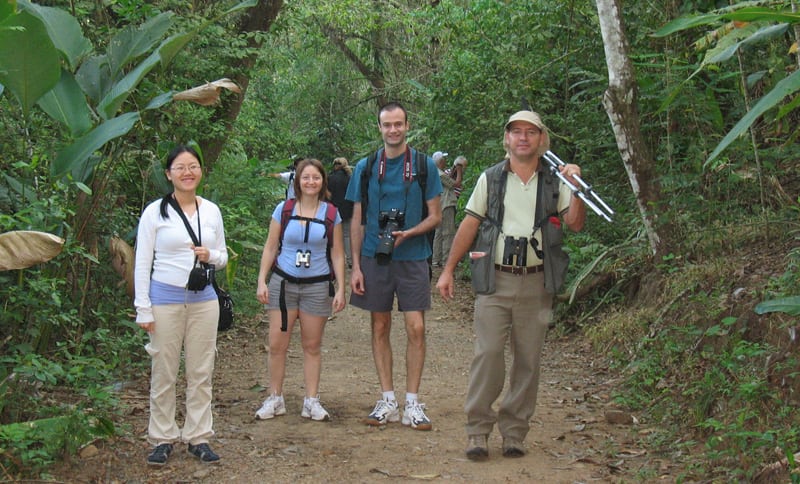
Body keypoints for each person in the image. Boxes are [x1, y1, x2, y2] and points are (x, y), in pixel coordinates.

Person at [436, 110, 586, 461]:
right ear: (507, 139)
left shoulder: (554, 181)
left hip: (537, 282)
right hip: (496, 278)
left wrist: (576, 187)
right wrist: (448, 270)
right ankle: (477, 431)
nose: (522, 138)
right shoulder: (491, 178)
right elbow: (470, 224)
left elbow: (575, 224)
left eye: (530, 132)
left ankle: (515, 433)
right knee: (487, 355)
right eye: (516, 132)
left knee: (528, 360)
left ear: (541, 139)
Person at [345, 102, 443, 431]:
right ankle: (387, 398)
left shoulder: (423, 165)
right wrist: (355, 266)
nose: (393, 130)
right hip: (376, 256)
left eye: (398, 124)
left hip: (413, 256)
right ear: (379, 127)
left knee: (416, 327)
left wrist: (409, 233)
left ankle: (412, 401)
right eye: (387, 125)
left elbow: (436, 215)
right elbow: (356, 219)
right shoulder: (366, 166)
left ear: (407, 125)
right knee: (380, 326)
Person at [134, 144, 228, 466]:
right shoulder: (155, 212)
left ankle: (198, 436)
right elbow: (142, 262)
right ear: (168, 174)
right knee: (164, 370)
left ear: (201, 170)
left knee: (201, 371)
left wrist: (209, 256)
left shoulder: (211, 210)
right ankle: (162, 437)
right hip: (165, 299)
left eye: (193, 166)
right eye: (180, 167)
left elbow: (223, 256)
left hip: (204, 301)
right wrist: (143, 307)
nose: (188, 173)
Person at [255, 158, 347, 422]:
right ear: (297, 181)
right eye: (305, 178)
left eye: (315, 178)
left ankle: (312, 400)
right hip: (283, 284)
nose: (310, 182)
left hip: (317, 286)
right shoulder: (283, 210)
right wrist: (262, 280)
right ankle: (275, 398)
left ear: (322, 182)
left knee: (312, 345)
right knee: (277, 344)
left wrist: (340, 288)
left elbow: (337, 253)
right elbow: (271, 246)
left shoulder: (331, 214)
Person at [431, 151, 458, 267]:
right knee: (448, 233)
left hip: (439, 205)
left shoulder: (436, 173)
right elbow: (455, 184)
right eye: (443, 160)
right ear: (440, 161)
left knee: (439, 233)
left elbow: (449, 178)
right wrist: (460, 171)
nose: (445, 162)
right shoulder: (440, 174)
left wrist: (453, 169)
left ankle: (436, 259)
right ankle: (446, 260)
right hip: (446, 204)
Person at [328, 157, 354, 267]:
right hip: (347, 210)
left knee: (332, 235)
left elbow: (328, 195)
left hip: (332, 211)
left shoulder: (330, 178)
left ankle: (333, 260)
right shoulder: (350, 178)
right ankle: (350, 260)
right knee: (347, 235)